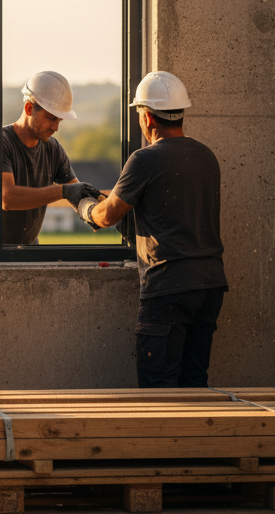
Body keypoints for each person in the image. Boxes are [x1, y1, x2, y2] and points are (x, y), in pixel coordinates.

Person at [75, 71, 228, 388]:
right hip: (209, 284)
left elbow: (105, 217)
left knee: (158, 388)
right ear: (180, 113)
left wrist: (82, 203)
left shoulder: (145, 159)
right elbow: (168, 208)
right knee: (194, 384)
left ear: (146, 116)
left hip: (169, 287)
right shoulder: (206, 156)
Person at [2, 71, 103, 245]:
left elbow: (78, 195)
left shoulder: (53, 149)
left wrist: (103, 210)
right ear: (29, 108)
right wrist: (62, 191)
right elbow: (7, 198)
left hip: (29, 248)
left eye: (59, 120)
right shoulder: (0, 142)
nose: (56, 127)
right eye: (51, 118)